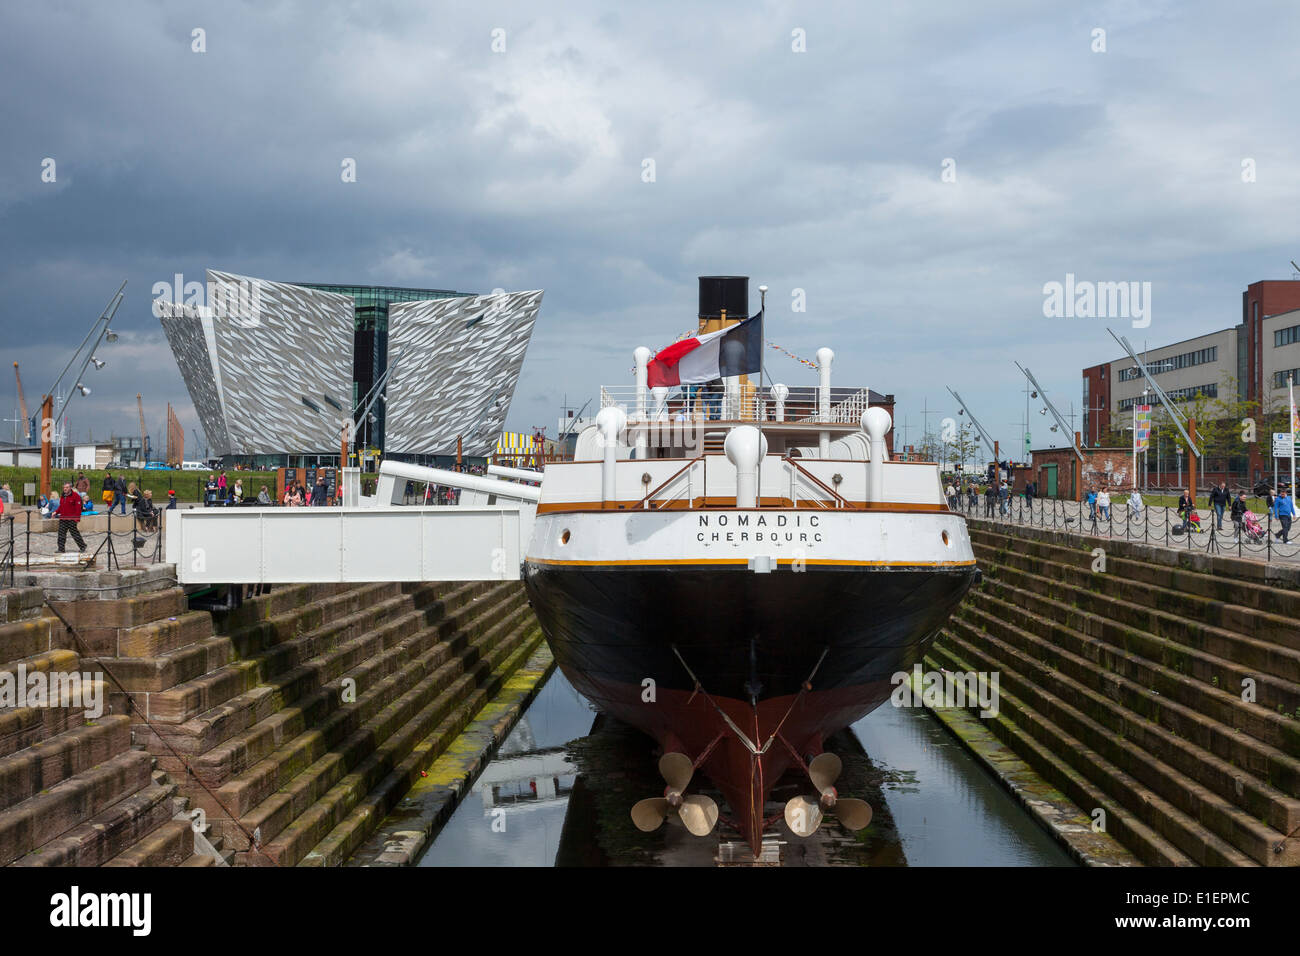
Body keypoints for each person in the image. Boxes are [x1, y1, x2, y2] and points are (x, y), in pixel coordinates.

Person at [54, 482, 87, 553]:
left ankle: (82, 546)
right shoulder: (63, 496)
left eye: (67, 487)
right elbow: (61, 506)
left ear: (70, 488)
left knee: (74, 533)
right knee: (61, 534)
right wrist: (56, 512)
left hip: (72, 519)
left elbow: (78, 508)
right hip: (63, 518)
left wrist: (77, 518)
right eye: (64, 487)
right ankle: (61, 549)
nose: (65, 489)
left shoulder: (76, 496)